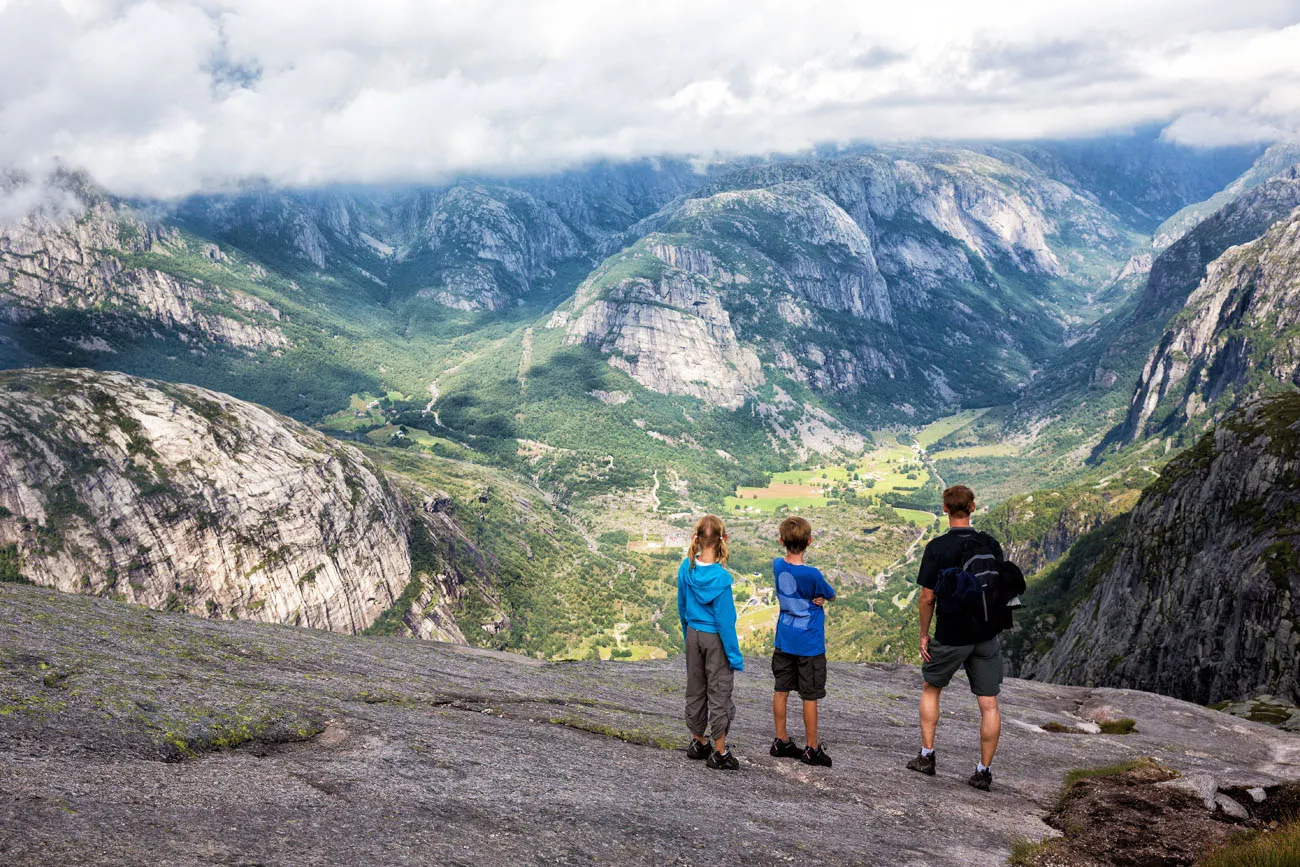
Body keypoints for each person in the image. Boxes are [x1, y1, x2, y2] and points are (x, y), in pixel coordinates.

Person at [906, 484, 1006, 791]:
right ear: (973, 507)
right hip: (986, 632)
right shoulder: (989, 543)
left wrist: (924, 635)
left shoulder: (937, 548)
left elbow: (926, 598)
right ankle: (983, 771)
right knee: (988, 704)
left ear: (945, 509)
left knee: (931, 688)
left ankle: (926, 757)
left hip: (951, 634)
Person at [677, 514, 744, 770]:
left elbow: (681, 605)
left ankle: (697, 742)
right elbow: (726, 623)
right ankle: (719, 752)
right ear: (723, 540)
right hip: (715, 638)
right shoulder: (721, 579)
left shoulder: (687, 568)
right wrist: (734, 656)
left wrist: (688, 635)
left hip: (693, 633)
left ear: (696, 538)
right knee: (720, 691)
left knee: (695, 688)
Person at [769, 516, 836, 767]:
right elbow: (831, 595)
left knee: (781, 689)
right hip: (809, 644)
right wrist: (818, 598)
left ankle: (780, 740)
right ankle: (811, 748)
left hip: (784, 640)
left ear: (781, 541)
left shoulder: (777, 565)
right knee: (809, 696)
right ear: (809, 541)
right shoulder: (813, 574)